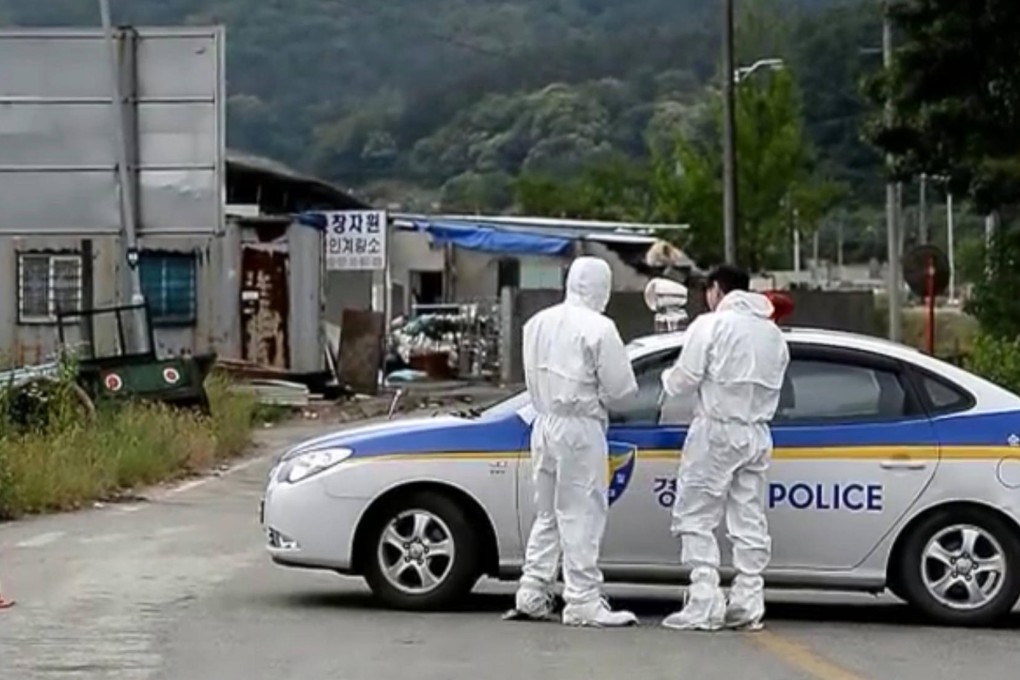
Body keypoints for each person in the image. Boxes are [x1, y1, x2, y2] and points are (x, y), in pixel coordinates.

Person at [510, 256, 640, 627]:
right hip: (580, 427)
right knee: (582, 510)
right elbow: (623, 391)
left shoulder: (537, 323)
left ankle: (532, 589)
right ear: (601, 287)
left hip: (544, 423)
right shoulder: (599, 327)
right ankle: (582, 598)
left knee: (548, 511)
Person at [660, 264, 790, 631]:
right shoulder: (772, 333)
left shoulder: (711, 325)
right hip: (757, 432)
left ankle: (705, 599)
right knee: (747, 517)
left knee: (695, 515)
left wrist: (667, 377)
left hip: (716, 431)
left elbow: (683, 381)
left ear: (716, 290)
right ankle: (748, 599)